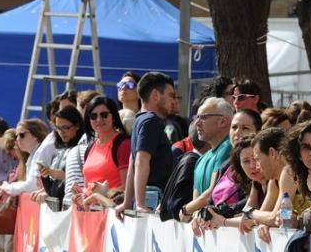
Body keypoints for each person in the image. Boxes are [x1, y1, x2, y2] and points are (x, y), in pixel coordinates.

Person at [121, 71, 175, 214]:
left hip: (148, 199)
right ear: (155, 96)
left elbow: (133, 162)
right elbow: (140, 161)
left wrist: (127, 202)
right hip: (152, 199)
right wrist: (140, 203)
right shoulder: (150, 121)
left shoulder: (140, 119)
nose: (173, 101)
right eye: (170, 95)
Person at [179, 97, 234, 222]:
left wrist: (185, 209)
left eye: (203, 117)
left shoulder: (228, 147)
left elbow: (211, 193)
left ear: (223, 121)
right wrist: (192, 212)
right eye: (196, 118)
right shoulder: (201, 159)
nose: (197, 123)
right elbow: (197, 202)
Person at [78, 96, 130, 208]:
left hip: (114, 215)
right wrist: (80, 195)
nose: (98, 120)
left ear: (114, 117)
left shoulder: (123, 144)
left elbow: (127, 187)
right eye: (93, 116)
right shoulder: (90, 147)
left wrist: (99, 197)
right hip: (91, 215)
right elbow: (89, 187)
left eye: (104, 115)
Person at [33, 105, 83, 207]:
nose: (61, 132)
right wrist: (45, 175)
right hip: (57, 207)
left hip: (72, 206)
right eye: (58, 128)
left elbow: (77, 179)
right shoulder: (59, 148)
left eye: (66, 127)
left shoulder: (82, 148)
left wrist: (52, 172)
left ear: (77, 125)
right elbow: (52, 188)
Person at [0, 119, 53, 201]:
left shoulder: (41, 152)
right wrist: (7, 189)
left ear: (35, 136)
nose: (17, 139)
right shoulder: (33, 155)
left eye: (22, 135)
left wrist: (8, 188)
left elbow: (32, 186)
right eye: (16, 136)